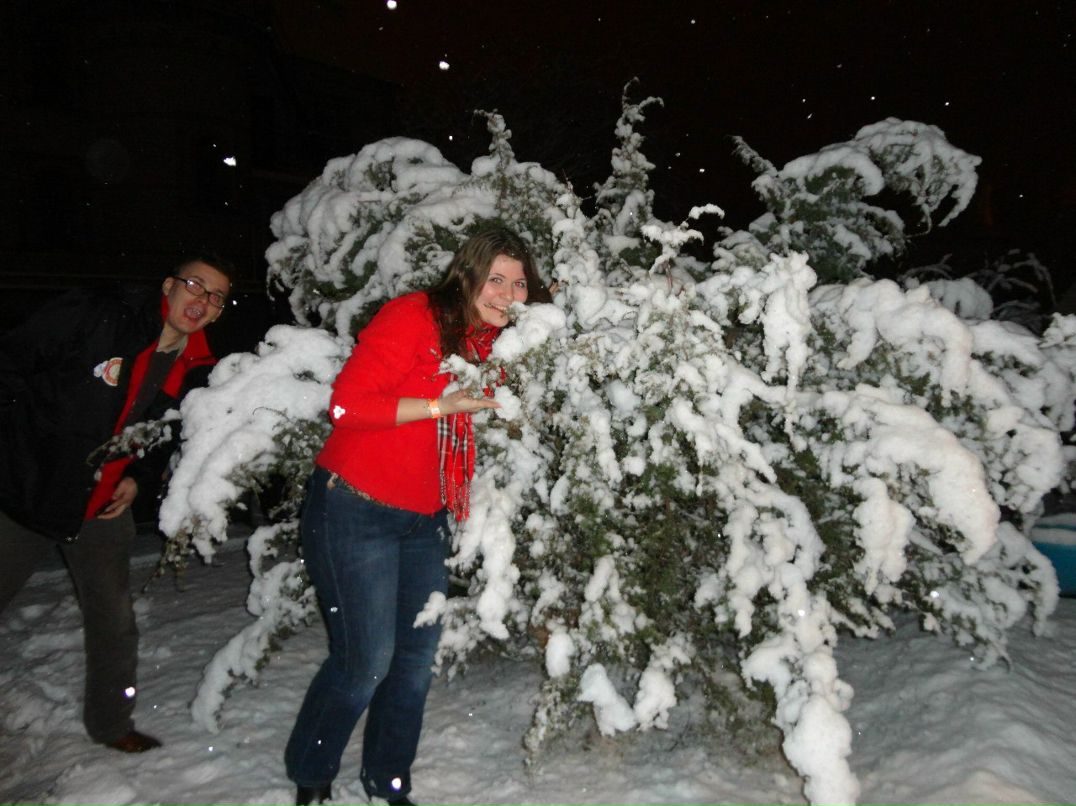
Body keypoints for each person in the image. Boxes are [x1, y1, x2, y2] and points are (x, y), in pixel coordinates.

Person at [285, 228, 551, 806]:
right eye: (496, 279)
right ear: (468, 274)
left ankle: (388, 780)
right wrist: (437, 405)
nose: (506, 293)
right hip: (355, 506)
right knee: (365, 663)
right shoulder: (415, 315)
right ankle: (312, 772)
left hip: (424, 518)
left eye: (519, 283)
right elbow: (347, 404)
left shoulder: (493, 345)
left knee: (412, 663)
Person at [0, 256, 233, 753]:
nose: (202, 300)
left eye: (216, 297)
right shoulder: (99, 317)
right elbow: (12, 363)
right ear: (168, 286)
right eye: (195, 285)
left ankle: (111, 723)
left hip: (102, 505)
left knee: (114, 621)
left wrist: (136, 475)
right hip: (27, 488)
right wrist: (20, 450)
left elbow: (161, 431)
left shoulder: (196, 365)